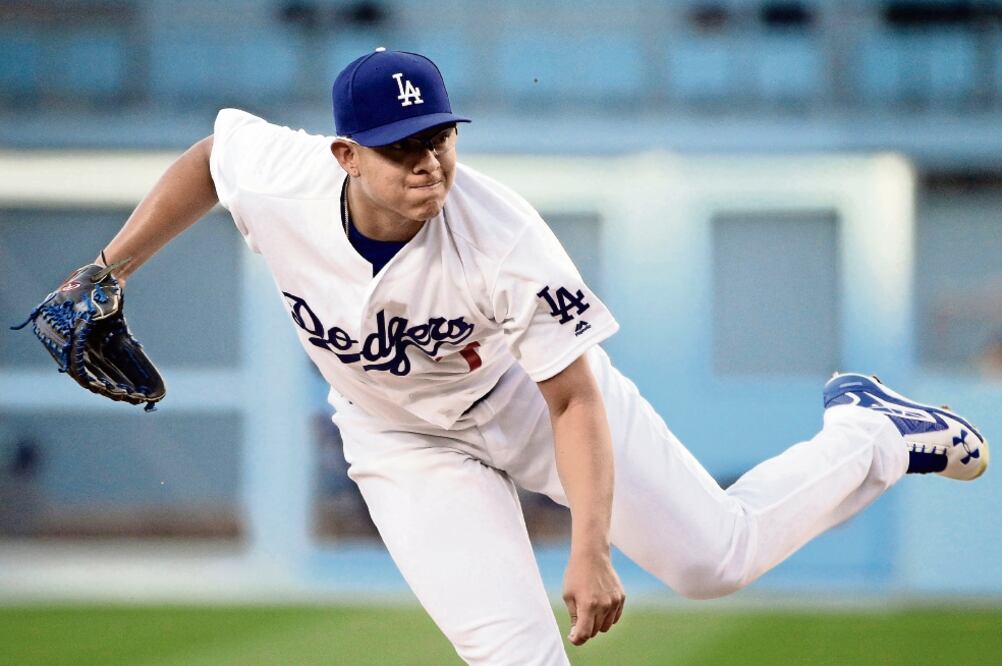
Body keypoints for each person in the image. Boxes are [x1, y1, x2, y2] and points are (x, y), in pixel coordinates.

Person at [79, 49, 989, 664]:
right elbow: (210, 157)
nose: (430, 163)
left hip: (526, 403)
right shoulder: (288, 178)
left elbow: (575, 402)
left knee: (715, 561)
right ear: (348, 154)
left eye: (439, 137)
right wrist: (106, 272)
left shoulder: (502, 234)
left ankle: (870, 432)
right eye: (402, 150)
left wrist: (588, 548)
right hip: (403, 442)